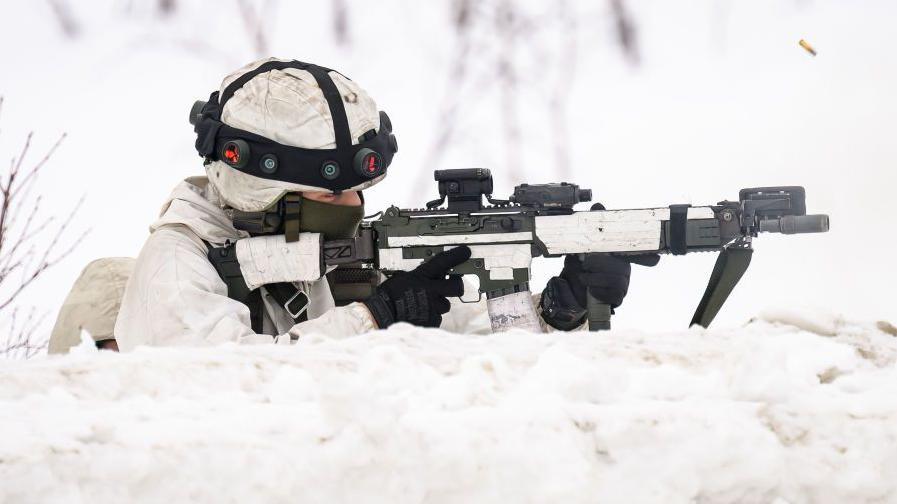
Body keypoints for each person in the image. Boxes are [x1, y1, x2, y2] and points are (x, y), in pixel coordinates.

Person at [114, 57, 647, 351]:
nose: (350, 206)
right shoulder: (178, 265)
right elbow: (221, 389)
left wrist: (560, 307)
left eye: (358, 191)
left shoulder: (316, 245)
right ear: (261, 191)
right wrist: (374, 317)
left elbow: (469, 338)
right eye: (330, 193)